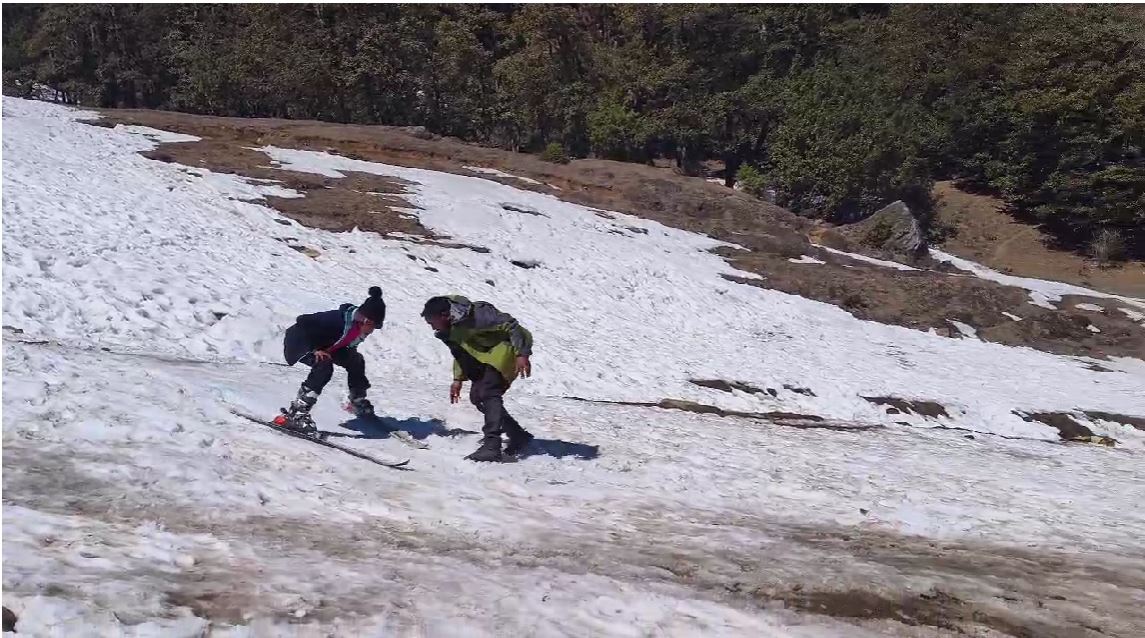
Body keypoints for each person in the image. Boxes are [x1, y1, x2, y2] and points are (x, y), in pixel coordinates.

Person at [421, 295, 534, 461]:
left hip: (510, 344)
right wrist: (457, 379)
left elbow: (512, 326)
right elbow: (460, 352)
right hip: (485, 351)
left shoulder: (480, 314)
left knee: (489, 390)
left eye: (432, 323)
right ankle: (517, 434)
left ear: (444, 315)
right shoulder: (449, 328)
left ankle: (492, 446)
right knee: (477, 397)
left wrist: (522, 353)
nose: (432, 328)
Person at [278, 286, 387, 431]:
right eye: (373, 326)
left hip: (325, 347)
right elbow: (303, 321)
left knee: (356, 360)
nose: (373, 331)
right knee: (324, 366)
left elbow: (343, 344)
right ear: (366, 321)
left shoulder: (356, 327)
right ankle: (297, 413)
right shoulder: (337, 319)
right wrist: (316, 349)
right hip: (301, 343)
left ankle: (357, 400)